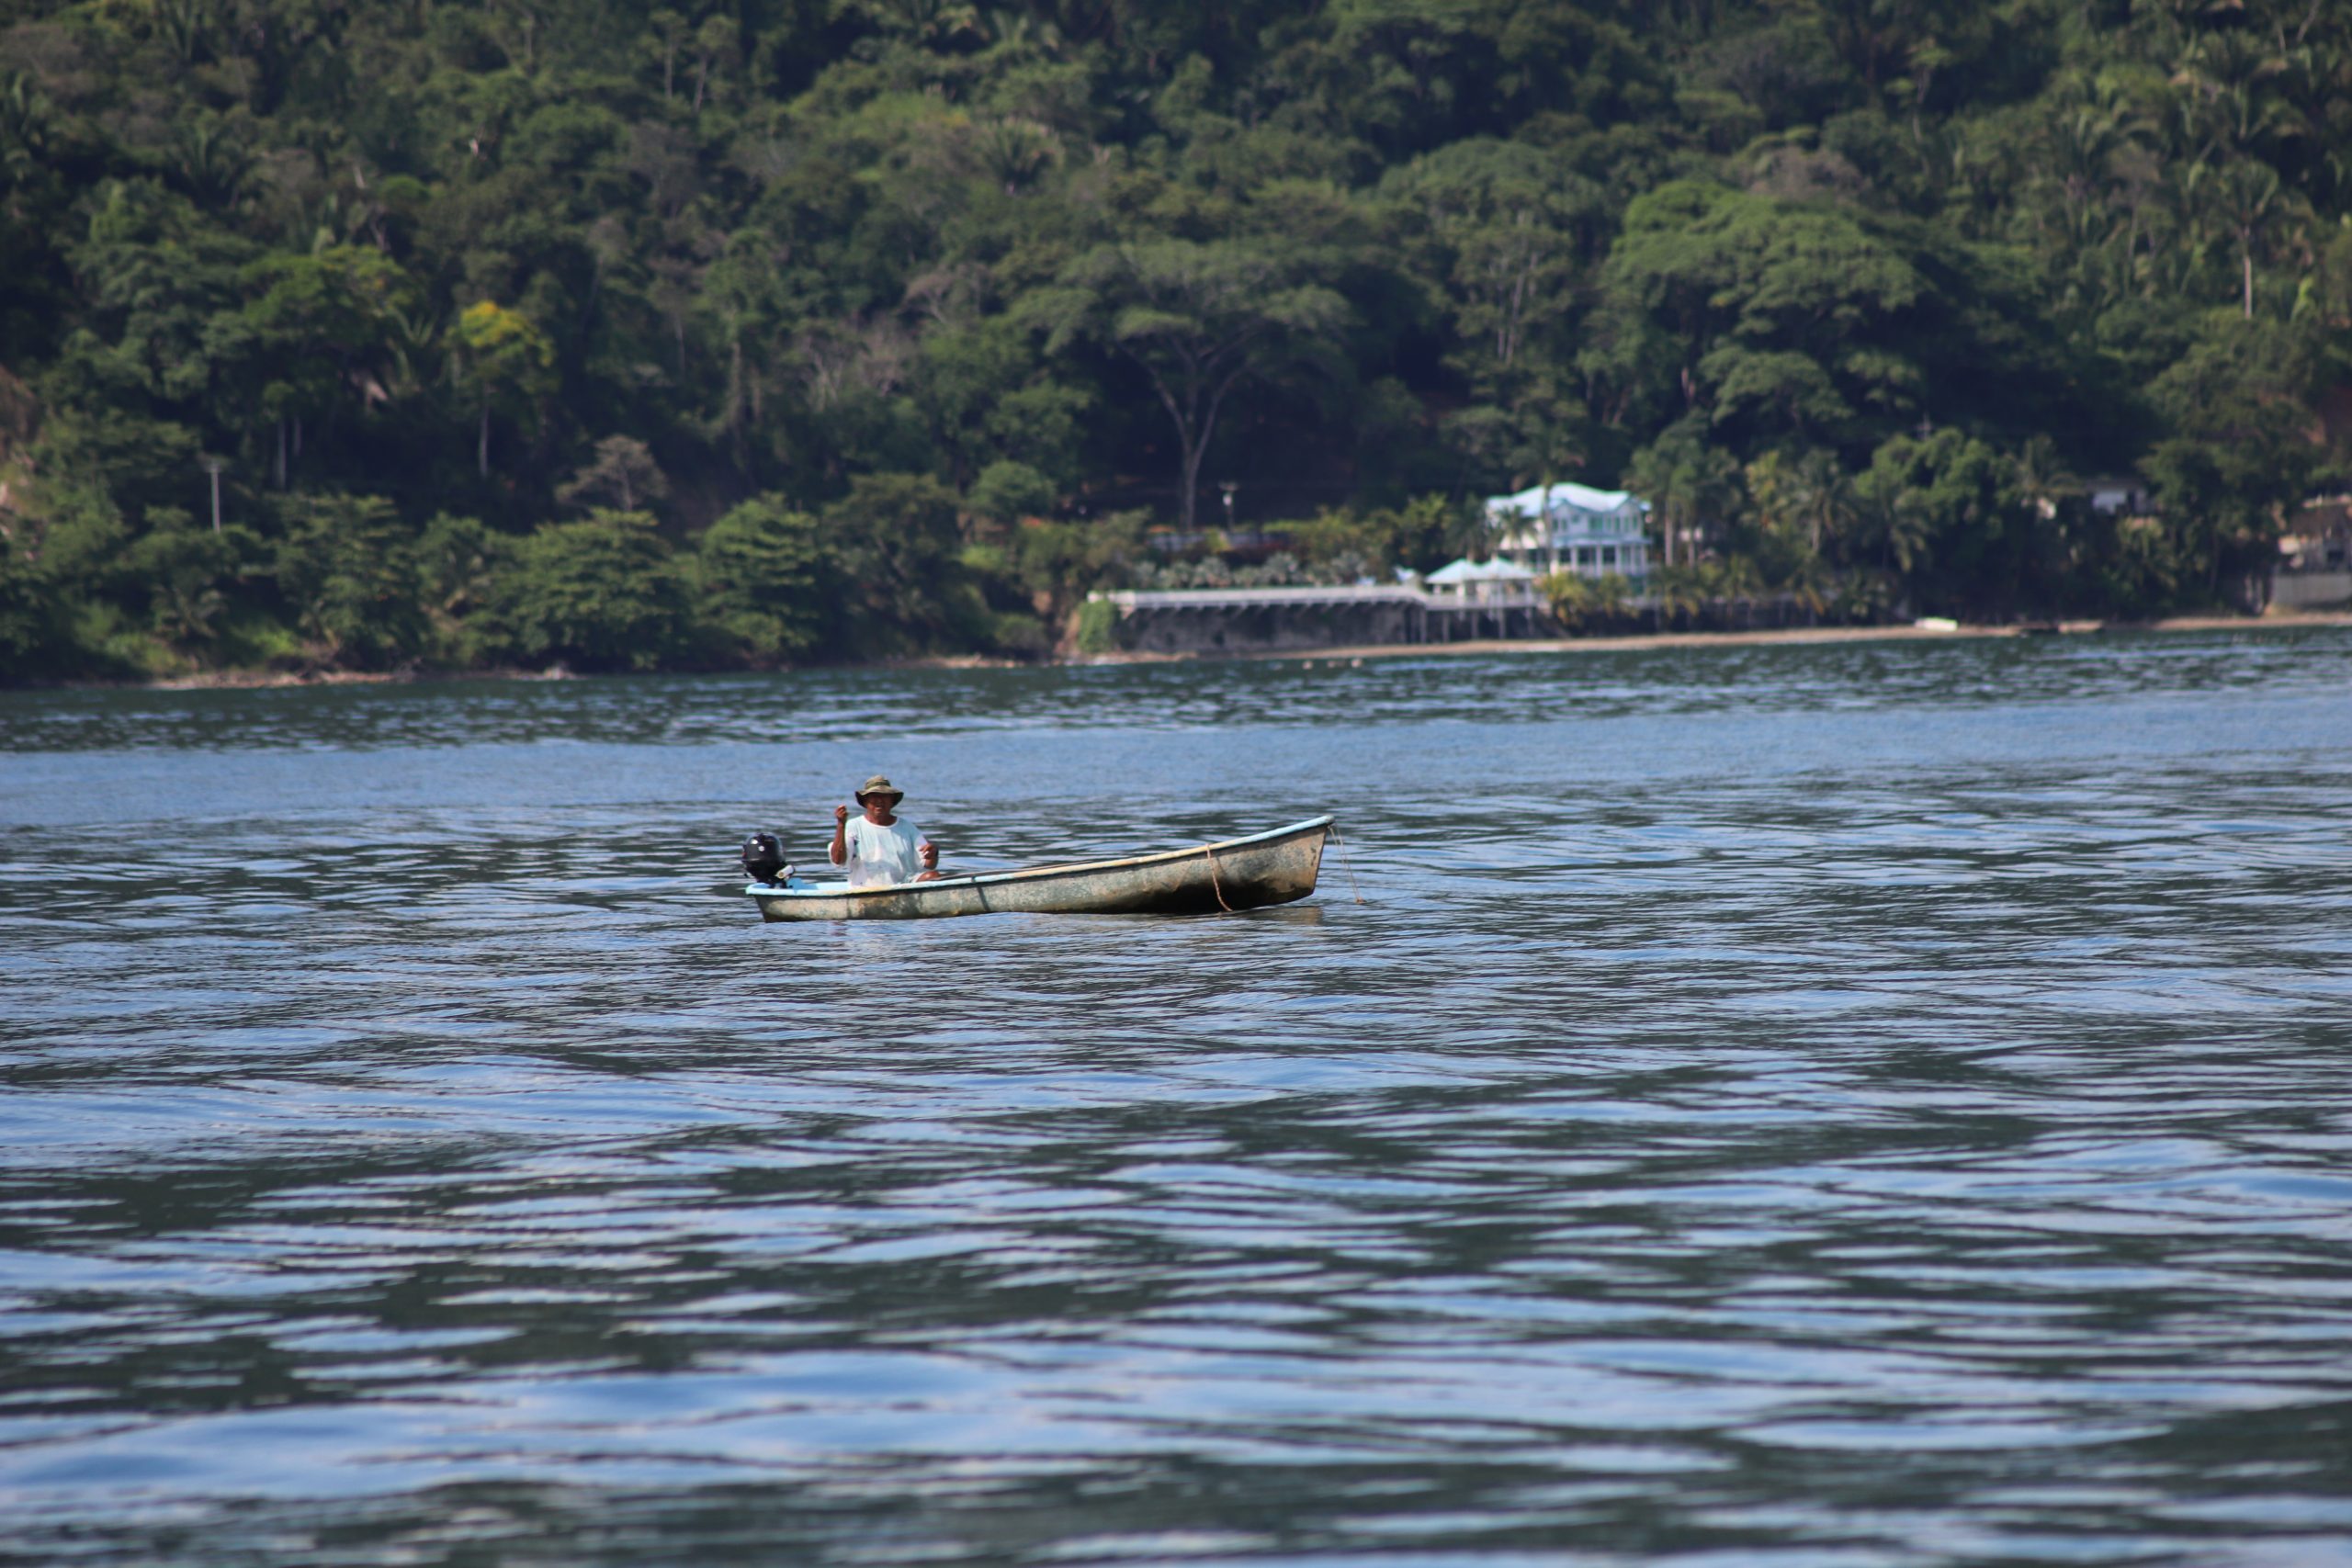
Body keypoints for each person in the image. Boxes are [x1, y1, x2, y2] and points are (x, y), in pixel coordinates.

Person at [831, 774, 941, 886]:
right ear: (865, 801)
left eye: (884, 796)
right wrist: (841, 825)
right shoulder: (853, 826)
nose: (879, 800)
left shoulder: (907, 827)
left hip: (905, 885)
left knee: (933, 876)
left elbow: (929, 865)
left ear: (892, 801)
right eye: (874, 796)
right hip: (865, 887)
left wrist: (934, 853)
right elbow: (838, 861)